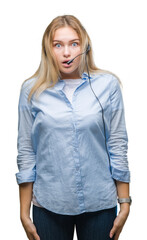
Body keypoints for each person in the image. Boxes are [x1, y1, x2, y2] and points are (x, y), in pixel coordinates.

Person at [15, 14, 131, 240]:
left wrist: (125, 202)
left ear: (85, 47)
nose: (66, 52)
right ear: (48, 49)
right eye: (58, 45)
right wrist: (23, 212)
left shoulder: (107, 85)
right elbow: (27, 150)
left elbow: (117, 143)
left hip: (99, 203)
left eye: (73, 44)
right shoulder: (30, 90)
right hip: (49, 205)